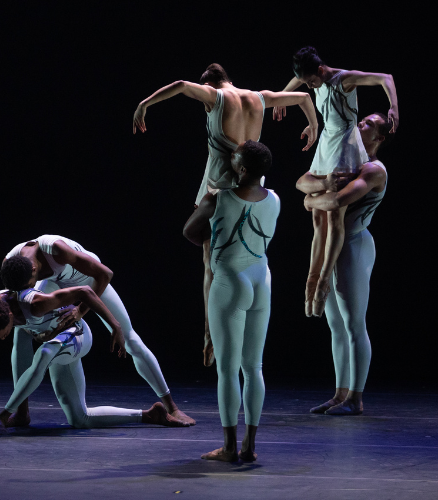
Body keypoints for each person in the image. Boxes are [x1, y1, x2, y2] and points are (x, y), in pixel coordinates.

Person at [133, 63, 317, 365]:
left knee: (212, 262)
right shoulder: (258, 97)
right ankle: (244, 328)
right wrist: (313, 126)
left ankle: (211, 337)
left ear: (212, 84)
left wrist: (144, 104)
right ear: (230, 79)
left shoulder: (214, 97)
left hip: (220, 186)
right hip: (253, 188)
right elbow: (304, 98)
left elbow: (180, 83)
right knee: (249, 256)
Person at [0, 236, 196, 425]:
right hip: (53, 283)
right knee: (22, 328)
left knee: (130, 340)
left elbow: (105, 274)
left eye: (28, 286)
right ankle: (22, 412)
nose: (27, 290)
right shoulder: (11, 263)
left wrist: (80, 311)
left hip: (88, 282)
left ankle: (171, 407)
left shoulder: (57, 250)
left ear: (33, 269)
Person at [0, 286, 187, 434]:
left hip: (77, 335)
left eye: (2, 333)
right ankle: (149, 415)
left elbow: (86, 291)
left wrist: (116, 326)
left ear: (10, 317)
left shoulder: (34, 304)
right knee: (80, 419)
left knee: (43, 352)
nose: (1, 339)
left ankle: (5, 413)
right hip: (59, 347)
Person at [272, 47, 399, 317]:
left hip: (344, 143)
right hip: (326, 143)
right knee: (318, 218)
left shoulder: (344, 80)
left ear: (320, 70)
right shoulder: (313, 79)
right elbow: (298, 81)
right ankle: (311, 278)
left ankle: (323, 282)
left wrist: (394, 107)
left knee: (333, 217)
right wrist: (283, 97)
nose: (308, 86)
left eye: (310, 81)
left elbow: (384, 78)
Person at [183, 140, 278, 462]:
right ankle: (249, 446)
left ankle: (228, 447)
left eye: (233, 161)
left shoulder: (218, 198)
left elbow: (189, 233)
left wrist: (211, 227)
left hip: (229, 281)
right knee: (254, 368)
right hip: (261, 280)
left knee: (227, 370)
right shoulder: (275, 199)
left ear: (241, 168)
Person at [299, 113, 391, 415]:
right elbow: (302, 181)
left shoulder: (373, 170)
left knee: (353, 324)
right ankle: (340, 394)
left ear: (378, 139)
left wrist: (311, 201)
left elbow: (337, 201)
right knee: (336, 326)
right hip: (333, 247)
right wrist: (315, 189)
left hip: (354, 246)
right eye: (361, 119)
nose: (359, 123)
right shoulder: (343, 161)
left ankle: (356, 397)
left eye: (367, 124)